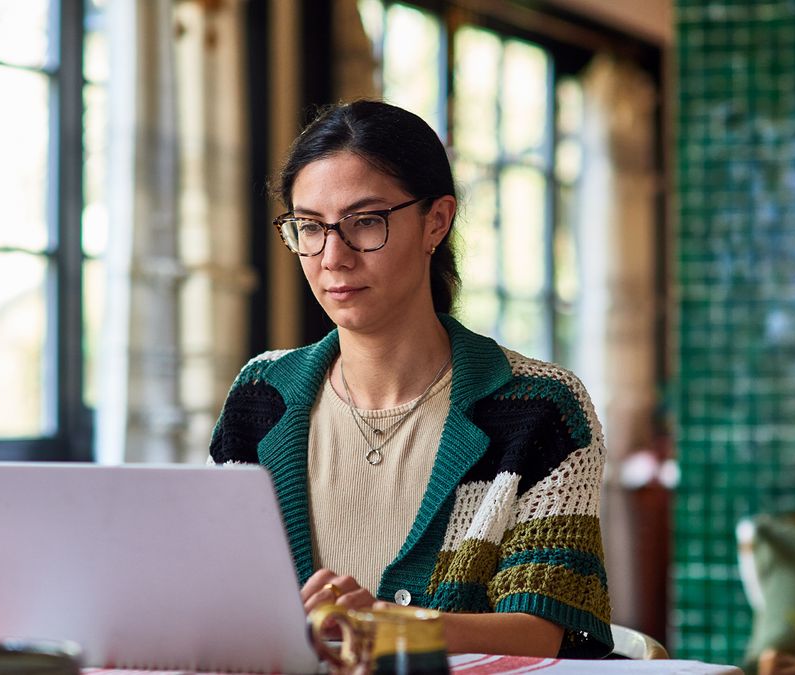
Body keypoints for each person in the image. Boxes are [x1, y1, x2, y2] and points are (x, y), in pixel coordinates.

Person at [209, 100, 612, 658]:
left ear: (437, 222)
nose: (333, 256)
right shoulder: (259, 397)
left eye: (365, 222)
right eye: (309, 227)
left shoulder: (540, 407)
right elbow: (217, 594)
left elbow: (540, 629)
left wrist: (388, 623)